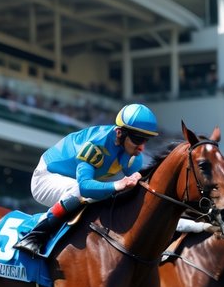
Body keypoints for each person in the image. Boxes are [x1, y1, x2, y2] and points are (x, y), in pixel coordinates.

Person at [15, 103, 161, 257]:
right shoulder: (96, 145)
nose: (141, 148)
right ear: (119, 133)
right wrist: (118, 184)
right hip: (46, 178)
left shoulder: (133, 155)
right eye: (137, 139)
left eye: (146, 140)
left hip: (74, 183)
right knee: (80, 191)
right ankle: (35, 236)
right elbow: (84, 187)